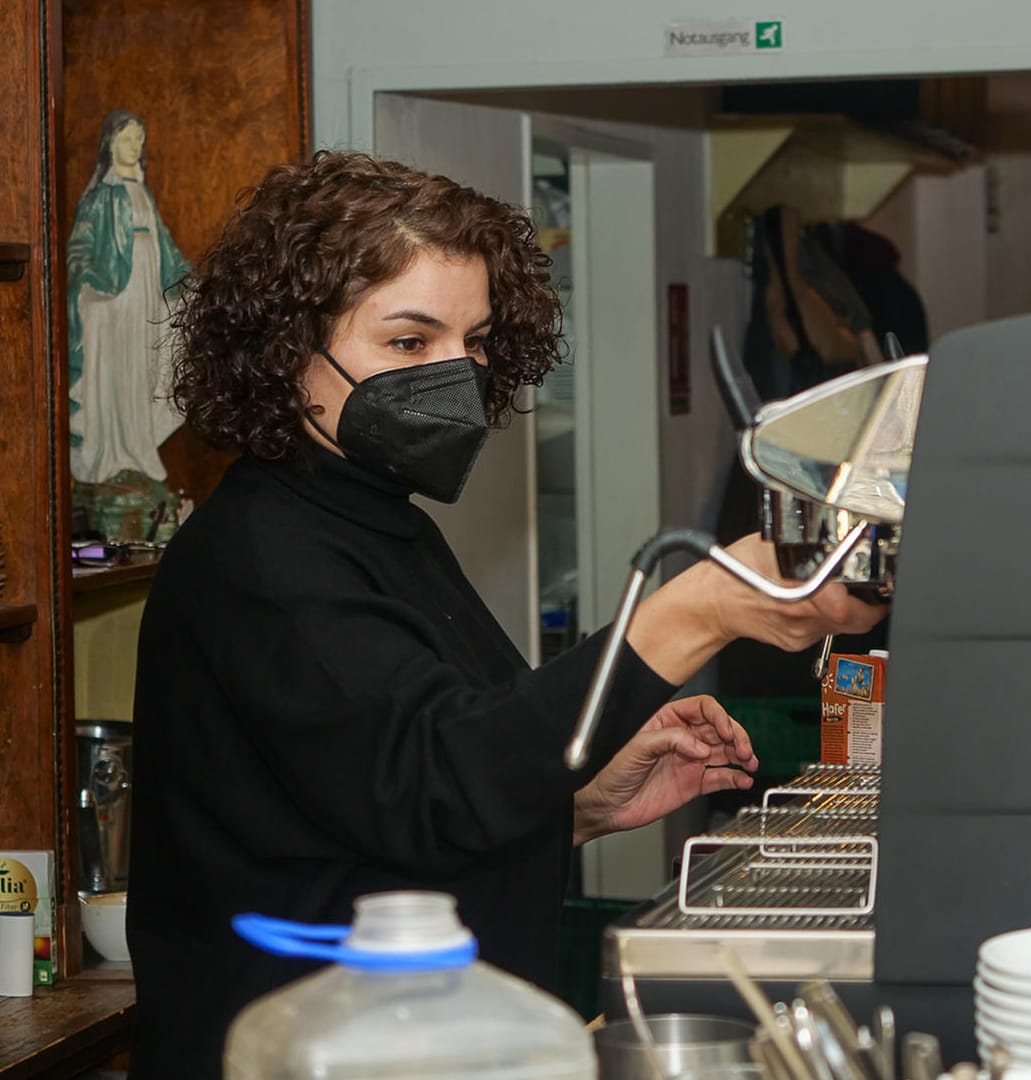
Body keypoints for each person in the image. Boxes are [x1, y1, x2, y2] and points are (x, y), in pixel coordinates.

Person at [125, 150, 886, 1079]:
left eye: (475, 342)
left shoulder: (381, 523)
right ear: (286, 354)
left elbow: (390, 797)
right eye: (409, 343)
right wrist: (704, 607)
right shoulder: (261, 560)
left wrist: (574, 804)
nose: (456, 376)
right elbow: (435, 781)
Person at [65, 109, 189, 513]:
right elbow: (80, 248)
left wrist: (187, 281)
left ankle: (136, 449)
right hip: (114, 302)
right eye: (126, 139)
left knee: (142, 369)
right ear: (109, 145)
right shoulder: (102, 195)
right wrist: (89, 279)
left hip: (146, 294)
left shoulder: (142, 192)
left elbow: (165, 246)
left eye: (139, 139)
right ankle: (111, 454)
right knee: (115, 375)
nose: (134, 146)